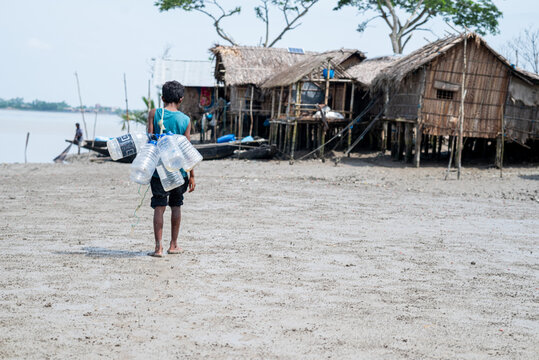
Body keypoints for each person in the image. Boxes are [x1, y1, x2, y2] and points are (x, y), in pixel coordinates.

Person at [147, 80, 196, 257]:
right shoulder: (185, 120)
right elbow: (188, 150)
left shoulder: (154, 113)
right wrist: (192, 175)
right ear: (181, 99)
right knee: (176, 206)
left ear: (162, 98)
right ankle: (173, 245)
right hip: (179, 171)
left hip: (159, 171)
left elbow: (150, 141)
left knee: (159, 207)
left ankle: (158, 248)